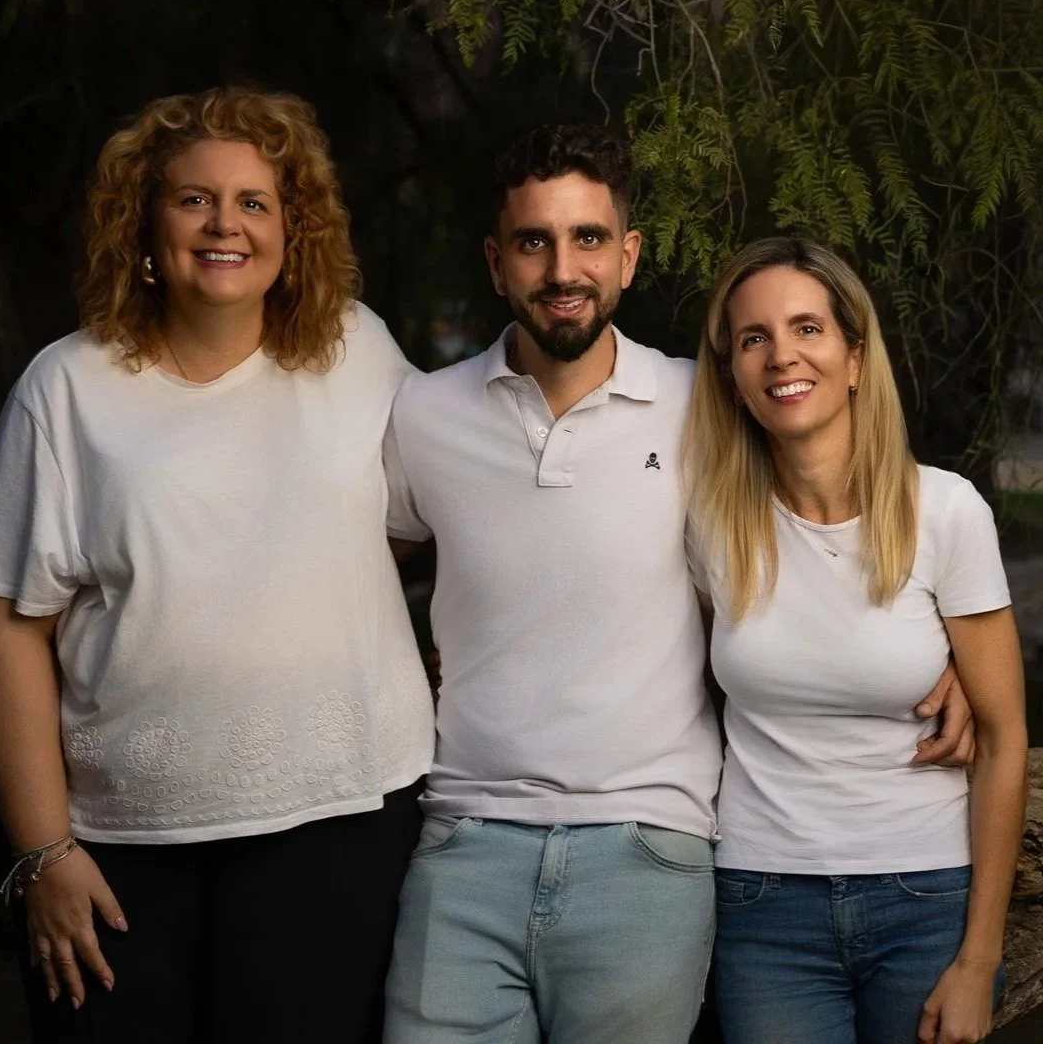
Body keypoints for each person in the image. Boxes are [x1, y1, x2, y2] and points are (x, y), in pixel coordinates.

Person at [380, 124, 974, 1044]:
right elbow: (366, 560)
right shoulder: (423, 412)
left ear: (628, 257)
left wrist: (953, 660)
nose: (562, 268)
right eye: (534, 242)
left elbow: (837, 515)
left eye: (587, 239)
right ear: (498, 264)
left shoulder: (708, 405)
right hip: (465, 836)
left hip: (651, 844)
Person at [0, 87, 434, 1043]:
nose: (225, 224)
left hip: (338, 826)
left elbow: (435, 518)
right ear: (144, 221)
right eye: (194, 200)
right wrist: (44, 852)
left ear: (292, 229)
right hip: (119, 852)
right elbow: (7, 626)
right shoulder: (67, 388)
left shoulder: (358, 351)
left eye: (255, 202)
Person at [683, 236, 1028, 1044]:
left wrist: (978, 962)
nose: (781, 357)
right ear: (731, 372)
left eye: (808, 329)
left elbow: (1007, 738)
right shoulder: (709, 524)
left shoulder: (944, 512)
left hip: (925, 898)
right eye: (752, 338)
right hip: (763, 905)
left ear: (854, 357)